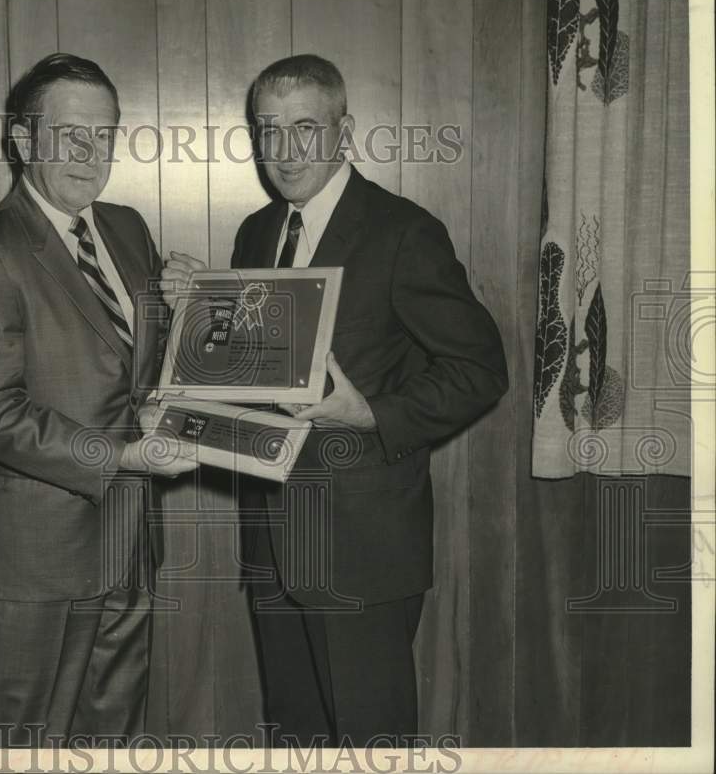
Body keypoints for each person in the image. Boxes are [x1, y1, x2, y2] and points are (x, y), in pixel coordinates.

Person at [161, 54, 508, 747]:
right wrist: (202, 313)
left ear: (343, 132)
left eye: (305, 128)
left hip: (362, 549)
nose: (284, 151)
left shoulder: (403, 232)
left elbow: (482, 368)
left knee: (369, 743)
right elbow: (260, 378)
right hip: (274, 544)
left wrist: (373, 413)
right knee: (297, 738)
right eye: (268, 130)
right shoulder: (257, 232)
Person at [0, 53, 195, 748]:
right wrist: (125, 454)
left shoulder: (128, 229)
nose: (92, 153)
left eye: (105, 135)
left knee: (110, 736)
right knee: (16, 741)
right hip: (33, 558)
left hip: (128, 539)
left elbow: (126, 367)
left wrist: (194, 307)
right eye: (70, 135)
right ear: (22, 141)